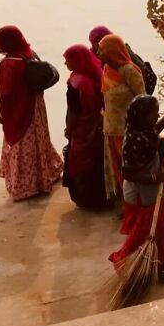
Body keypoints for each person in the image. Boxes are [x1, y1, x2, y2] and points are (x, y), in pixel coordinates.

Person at [109, 95, 164, 283]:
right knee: (144, 233)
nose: (157, 115)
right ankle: (127, 263)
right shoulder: (133, 140)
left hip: (153, 190)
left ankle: (163, 266)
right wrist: (155, 178)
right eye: (154, 113)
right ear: (143, 116)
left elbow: (154, 131)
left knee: (162, 230)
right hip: (143, 195)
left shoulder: (143, 131)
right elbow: (127, 173)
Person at [0, 26, 62, 201]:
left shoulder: (7, 64)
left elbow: (6, 94)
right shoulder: (29, 54)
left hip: (19, 109)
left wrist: (3, 114)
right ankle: (45, 176)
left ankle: (25, 186)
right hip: (36, 106)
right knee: (38, 139)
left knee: (21, 144)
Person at [98, 35, 146, 201]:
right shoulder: (106, 69)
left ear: (112, 51)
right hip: (112, 129)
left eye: (101, 50)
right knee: (119, 170)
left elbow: (143, 100)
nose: (97, 53)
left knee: (132, 169)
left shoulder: (129, 71)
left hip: (129, 131)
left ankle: (140, 202)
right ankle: (128, 202)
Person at [62, 44, 108, 210]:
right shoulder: (96, 77)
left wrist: (69, 129)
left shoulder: (76, 83)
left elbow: (74, 111)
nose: (65, 64)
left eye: (68, 60)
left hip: (82, 129)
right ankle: (103, 197)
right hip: (96, 125)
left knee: (80, 161)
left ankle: (86, 199)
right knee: (96, 160)